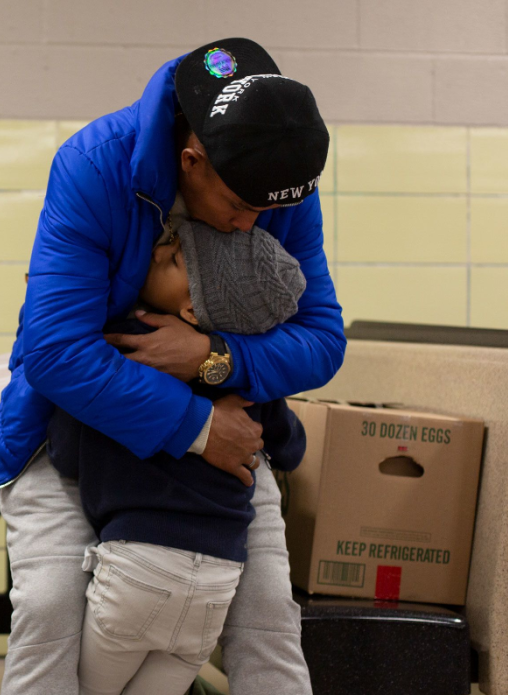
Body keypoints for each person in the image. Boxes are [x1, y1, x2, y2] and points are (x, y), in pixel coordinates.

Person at [0, 38, 345, 695]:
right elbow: (54, 352)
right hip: (75, 429)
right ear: (192, 160)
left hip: (227, 430)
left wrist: (214, 359)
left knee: (270, 620)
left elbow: (323, 339)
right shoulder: (96, 165)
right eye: (242, 209)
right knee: (48, 613)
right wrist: (200, 426)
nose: (256, 226)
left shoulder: (274, 185)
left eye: (271, 211)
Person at [47, 219, 308, 694]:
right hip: (217, 586)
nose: (155, 253)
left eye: (171, 258)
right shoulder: (244, 376)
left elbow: (66, 455)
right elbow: (290, 447)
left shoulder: (120, 347)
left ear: (191, 308)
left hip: (135, 572)